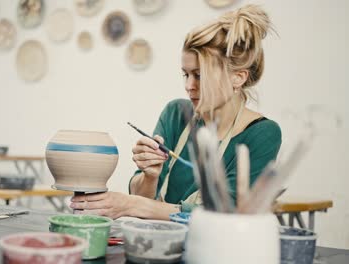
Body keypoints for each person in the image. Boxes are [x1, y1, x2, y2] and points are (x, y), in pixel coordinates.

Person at [70, 4, 282, 220]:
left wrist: (129, 205)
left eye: (199, 75)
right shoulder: (176, 114)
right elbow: (140, 196)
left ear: (238, 77)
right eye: (186, 74)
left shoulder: (263, 134)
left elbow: (225, 215)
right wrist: (150, 176)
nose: (189, 85)